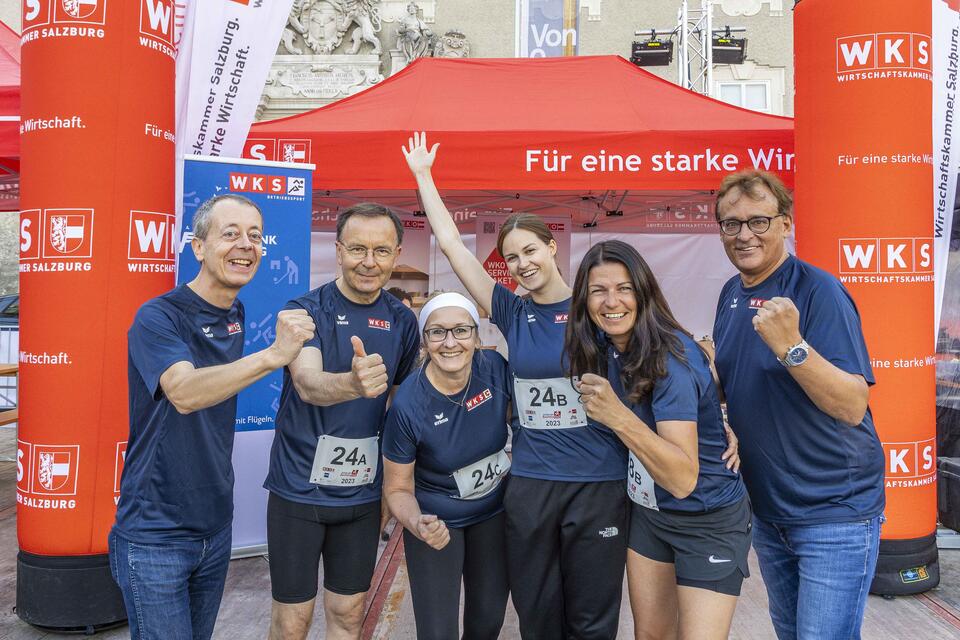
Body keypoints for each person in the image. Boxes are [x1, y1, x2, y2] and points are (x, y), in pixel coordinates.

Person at [403, 131, 629, 639]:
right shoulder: (510, 309)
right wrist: (423, 176)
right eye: (512, 257)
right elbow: (452, 246)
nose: (523, 263)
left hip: (597, 481)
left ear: (552, 247)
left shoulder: (595, 308)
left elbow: (653, 372)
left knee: (591, 618)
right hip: (531, 482)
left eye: (531, 250)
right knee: (537, 610)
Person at [109, 194, 316, 640]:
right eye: (230, 233)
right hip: (155, 534)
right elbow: (183, 392)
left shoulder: (234, 312)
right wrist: (274, 355)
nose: (245, 245)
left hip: (215, 526)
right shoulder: (157, 316)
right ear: (198, 247)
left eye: (255, 236)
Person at [711, 170, 884, 640]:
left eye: (758, 221)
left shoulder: (817, 290)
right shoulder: (731, 294)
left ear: (785, 223)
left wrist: (793, 347)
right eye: (731, 224)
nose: (744, 234)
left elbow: (852, 404)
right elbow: (739, 386)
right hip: (770, 512)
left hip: (834, 512)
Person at [566, 240, 750, 640]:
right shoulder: (604, 345)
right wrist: (721, 417)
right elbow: (710, 377)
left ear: (643, 291)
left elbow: (683, 479)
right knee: (650, 636)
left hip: (706, 518)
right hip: (650, 514)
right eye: (598, 290)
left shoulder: (670, 358)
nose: (611, 301)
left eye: (624, 288)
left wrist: (617, 416)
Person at [264, 203, 420, 640]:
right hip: (298, 491)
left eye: (381, 251)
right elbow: (309, 383)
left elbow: (398, 409)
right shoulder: (304, 310)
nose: (369, 262)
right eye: (357, 249)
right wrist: (353, 384)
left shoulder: (402, 320)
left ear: (396, 254)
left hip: (362, 497)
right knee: (292, 621)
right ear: (337, 250)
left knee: (349, 614)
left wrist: (394, 486)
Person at [382, 292, 511, 640]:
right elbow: (396, 489)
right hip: (437, 523)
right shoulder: (409, 405)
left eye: (461, 331)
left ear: (477, 336)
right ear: (425, 341)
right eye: (437, 332)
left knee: (487, 621)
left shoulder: (496, 370)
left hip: (493, 514)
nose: (450, 342)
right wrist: (416, 522)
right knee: (437, 631)